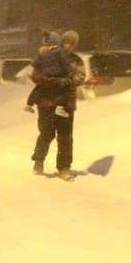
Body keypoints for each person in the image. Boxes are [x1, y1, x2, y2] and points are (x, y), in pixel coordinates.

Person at [30, 30, 86, 180]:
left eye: (72, 44)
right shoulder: (47, 56)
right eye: (67, 42)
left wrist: (66, 81)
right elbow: (35, 75)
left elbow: (80, 77)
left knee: (65, 137)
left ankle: (64, 168)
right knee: (46, 133)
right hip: (46, 102)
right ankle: (39, 161)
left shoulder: (76, 61)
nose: (69, 46)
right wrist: (50, 81)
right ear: (62, 42)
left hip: (66, 103)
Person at [25, 31, 72, 118]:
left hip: (45, 77)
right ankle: (60, 107)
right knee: (65, 90)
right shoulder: (59, 52)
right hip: (57, 76)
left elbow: (34, 63)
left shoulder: (43, 53)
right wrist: (69, 73)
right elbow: (65, 64)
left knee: (38, 89)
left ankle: (29, 104)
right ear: (57, 41)